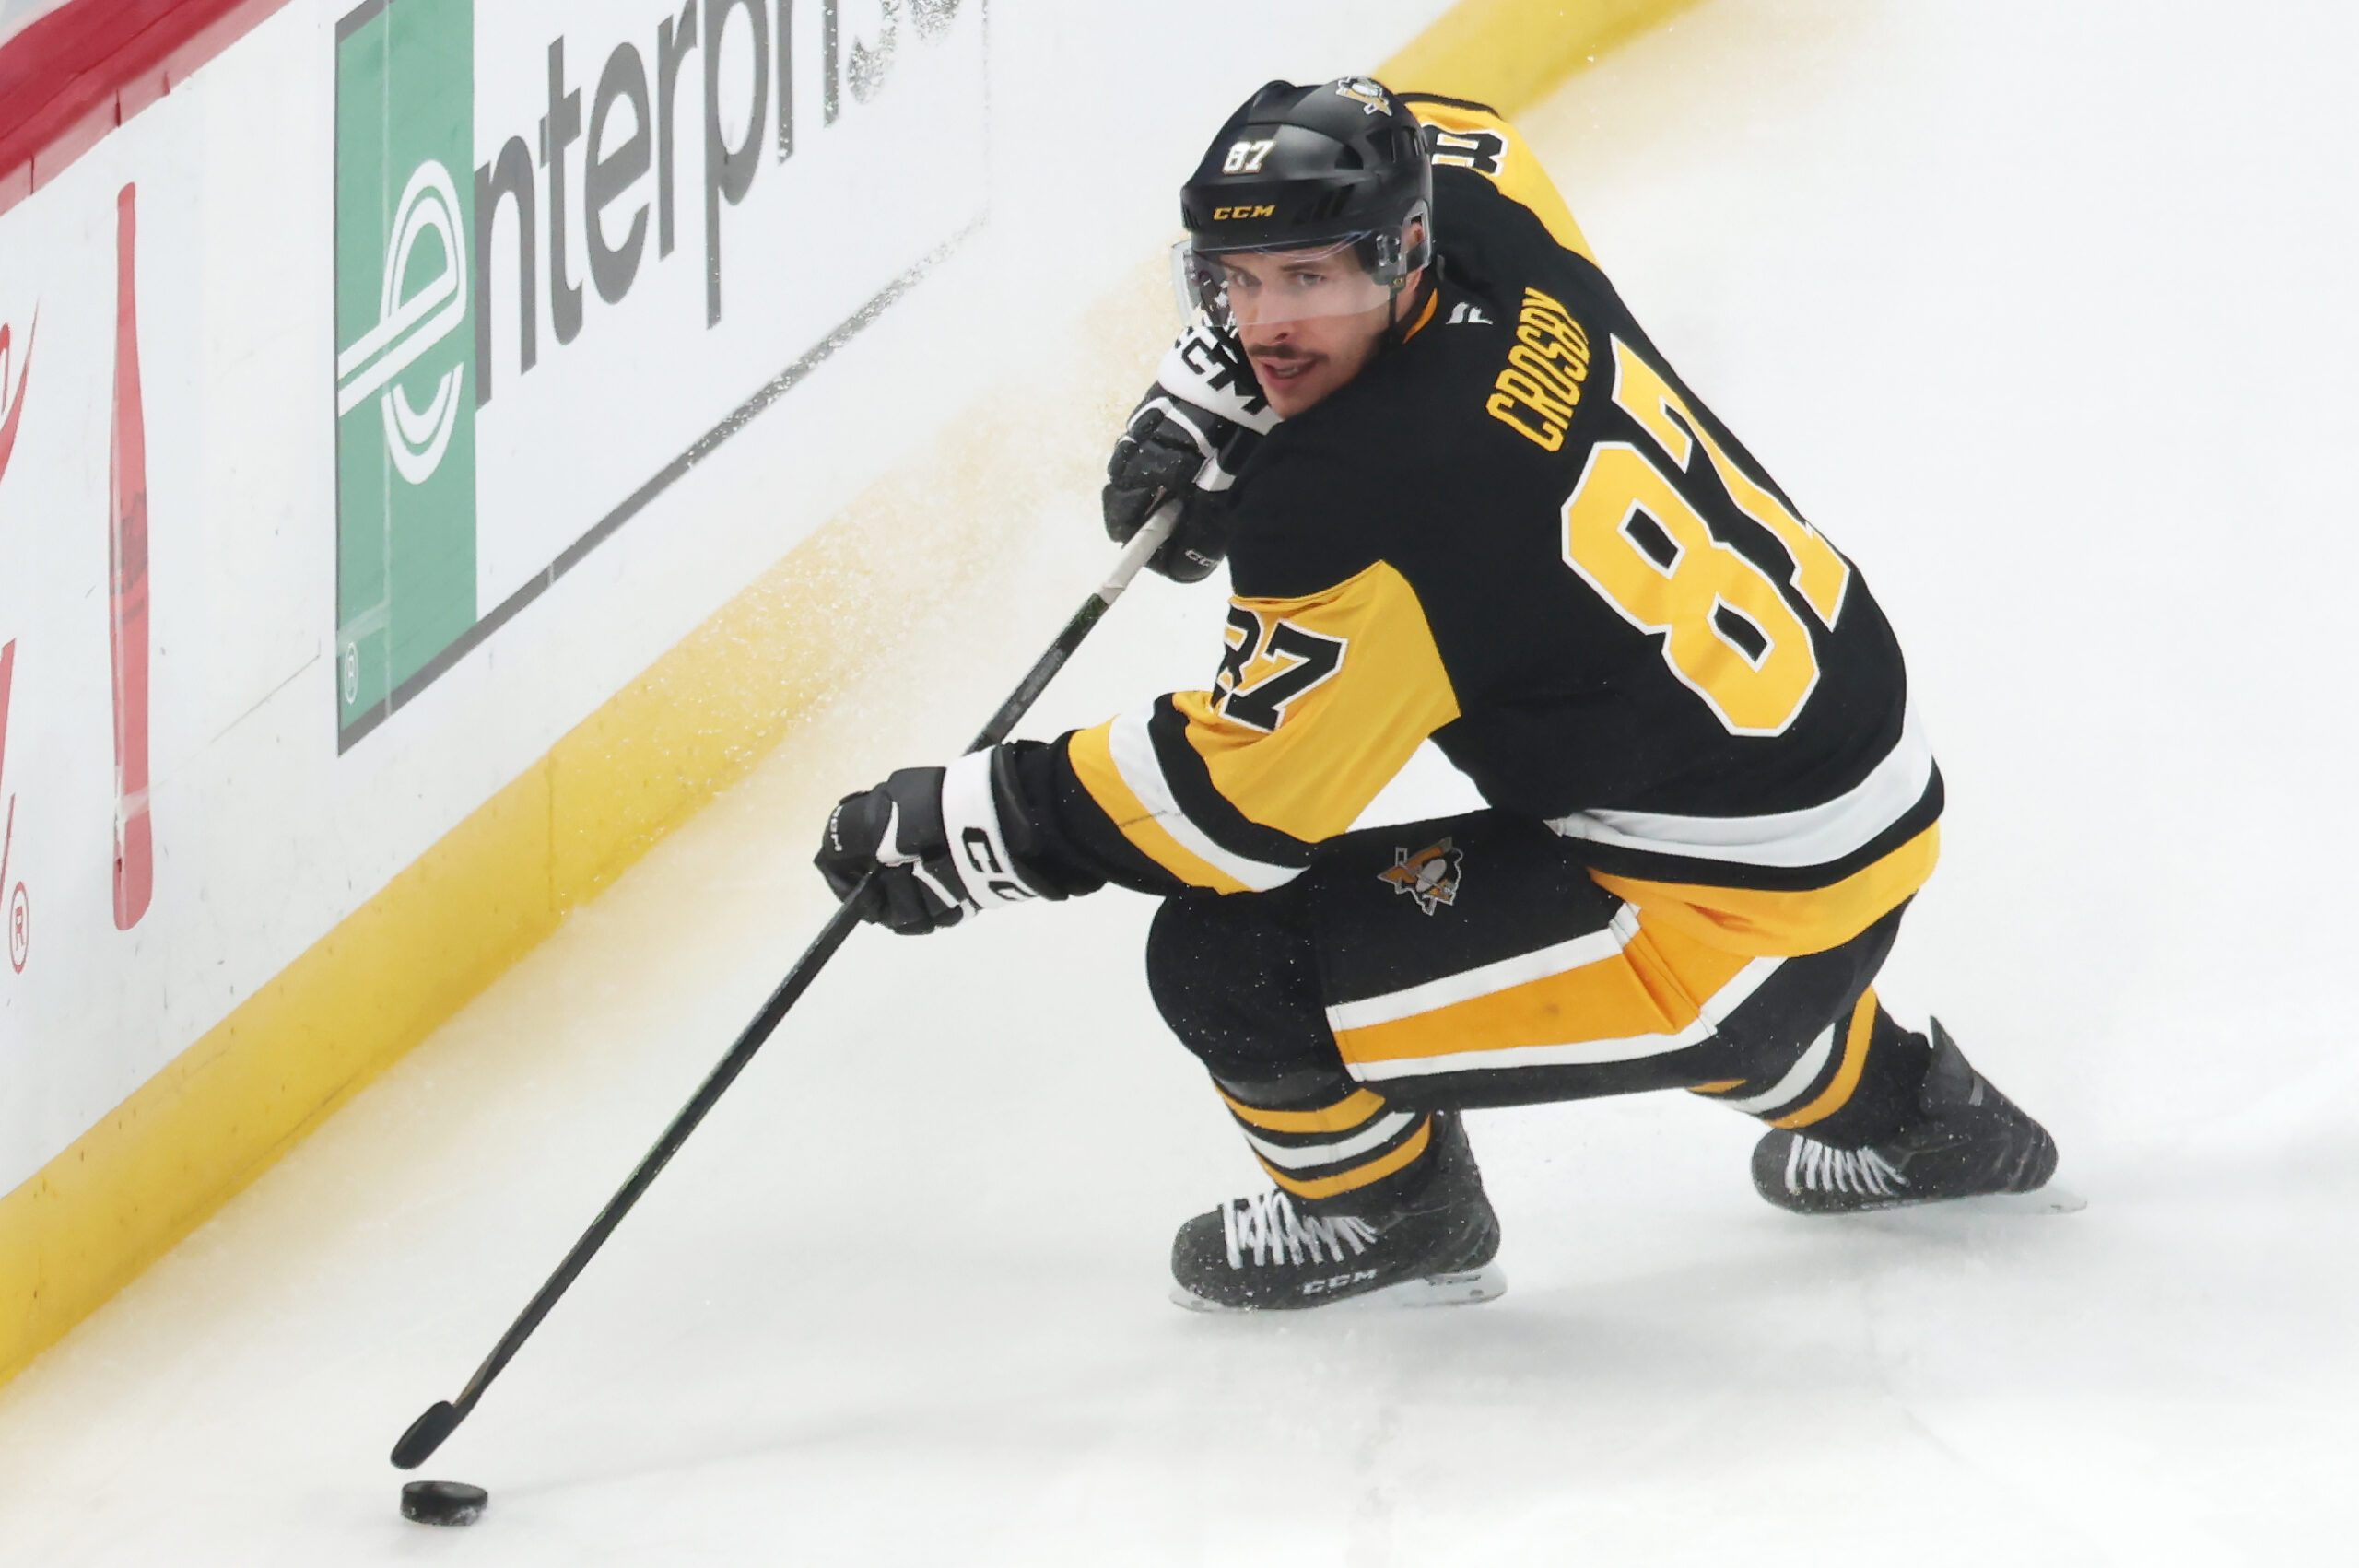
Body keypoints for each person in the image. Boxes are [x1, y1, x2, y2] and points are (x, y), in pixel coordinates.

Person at [814, 78, 2059, 1312]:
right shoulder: (1485, 220)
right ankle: (1917, 1116)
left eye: (1313, 281)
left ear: (1402, 249)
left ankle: (1388, 1212)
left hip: (1730, 908)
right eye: (1235, 285)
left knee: (1230, 961)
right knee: (1654, 865)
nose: (1269, 326)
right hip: (1859, 768)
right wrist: (1214, 381)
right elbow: (1447, 117)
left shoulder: (1359, 492)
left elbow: (1233, 809)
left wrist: (984, 820)